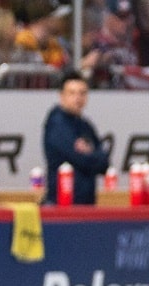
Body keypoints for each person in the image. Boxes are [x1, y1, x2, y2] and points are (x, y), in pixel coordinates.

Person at [42, 72, 110, 205]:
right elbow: (79, 158)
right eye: (72, 93)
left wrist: (90, 154)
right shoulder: (57, 124)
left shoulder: (85, 126)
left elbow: (104, 163)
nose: (77, 98)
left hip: (86, 204)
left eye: (82, 93)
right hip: (60, 205)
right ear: (61, 96)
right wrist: (91, 155)